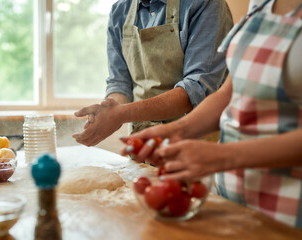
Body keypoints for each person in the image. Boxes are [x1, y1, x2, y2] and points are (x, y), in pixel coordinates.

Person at [121, 0, 302, 229]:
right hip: (232, 202)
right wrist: (176, 130)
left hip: (290, 214)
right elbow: (229, 92)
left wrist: (221, 156)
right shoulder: (260, 3)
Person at [72, 0, 233, 146]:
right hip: (142, 143)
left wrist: (119, 114)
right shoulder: (120, 10)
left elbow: (195, 90)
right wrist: (109, 108)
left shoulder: (205, 4)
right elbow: (120, 83)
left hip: (195, 143)